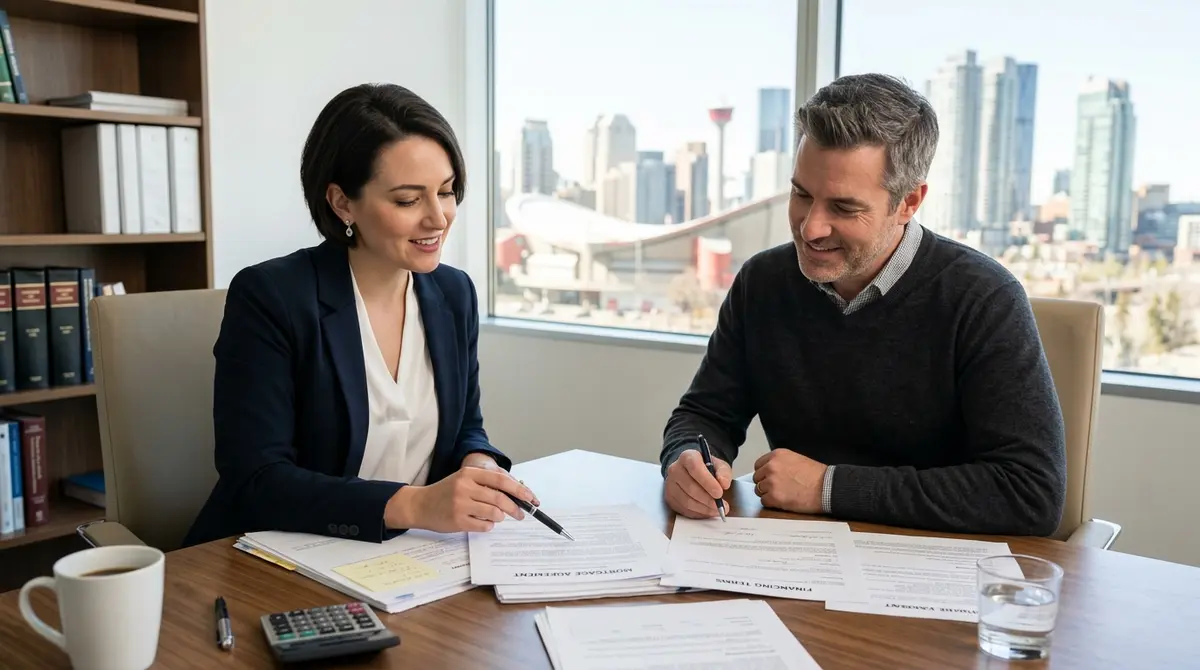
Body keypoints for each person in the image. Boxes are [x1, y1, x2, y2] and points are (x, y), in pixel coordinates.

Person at [660, 73, 1067, 536]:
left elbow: (1030, 493)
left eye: (844, 208)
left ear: (908, 202)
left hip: (934, 575)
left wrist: (828, 488)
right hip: (795, 565)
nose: (810, 228)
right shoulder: (762, 283)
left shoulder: (983, 299)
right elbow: (705, 415)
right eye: (801, 194)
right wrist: (687, 458)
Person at [184, 83, 535, 547]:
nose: (439, 218)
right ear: (342, 202)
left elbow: (467, 426)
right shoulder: (272, 296)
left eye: (446, 192)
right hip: (279, 557)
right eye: (408, 200)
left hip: (408, 556)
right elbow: (256, 480)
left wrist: (479, 464)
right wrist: (415, 505)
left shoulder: (454, 294)